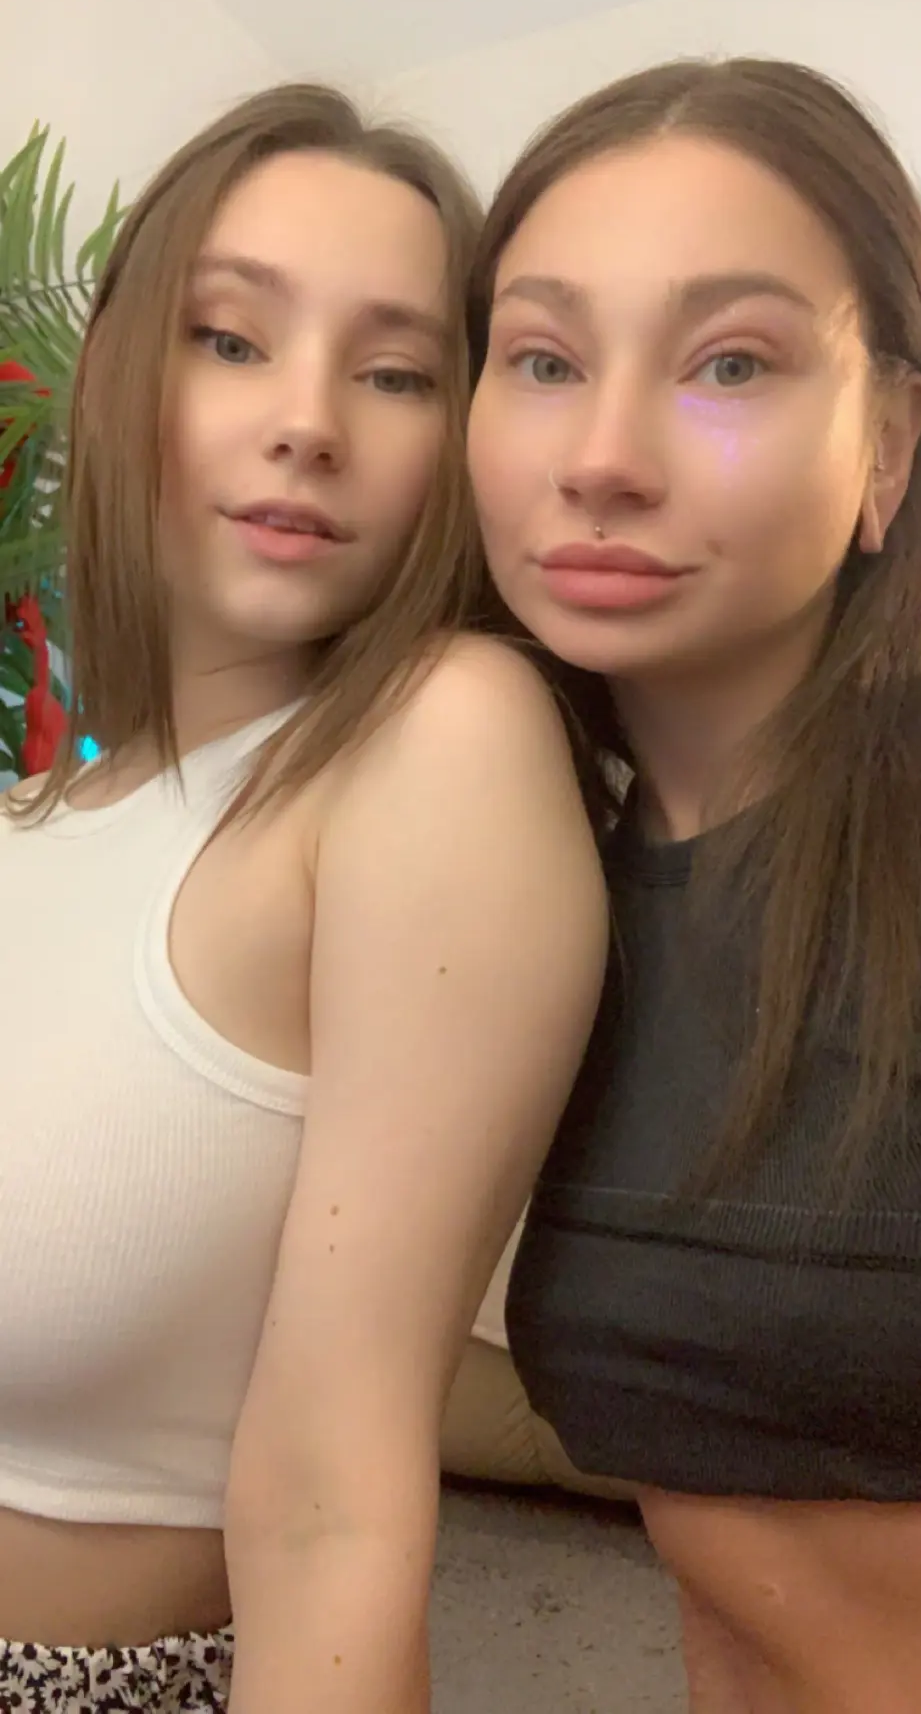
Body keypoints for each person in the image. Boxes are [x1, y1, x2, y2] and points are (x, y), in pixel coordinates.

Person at [0, 83, 608, 1714]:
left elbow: (337, 1495)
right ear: (116, 376)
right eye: (231, 338)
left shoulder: (437, 740)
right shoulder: (37, 820)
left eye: (398, 372)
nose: (309, 421)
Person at [467, 55, 921, 1713]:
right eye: (545, 359)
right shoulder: (532, 892)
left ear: (891, 443)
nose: (605, 457)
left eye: (730, 362)